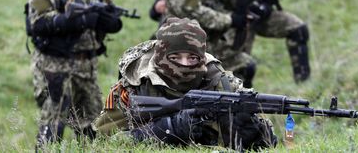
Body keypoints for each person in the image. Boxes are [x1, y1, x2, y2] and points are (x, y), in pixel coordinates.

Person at [93, 17, 277, 150]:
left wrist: (256, 134)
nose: (184, 64)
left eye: (192, 58)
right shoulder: (133, 87)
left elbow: (271, 143)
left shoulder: (225, 86)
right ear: (160, 57)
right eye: (175, 57)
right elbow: (103, 143)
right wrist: (165, 129)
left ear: (202, 58)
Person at [26, 0, 123, 147]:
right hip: (55, 66)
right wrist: (73, 21)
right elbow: (38, 23)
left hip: (87, 67)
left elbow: (111, 15)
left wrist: (109, 21)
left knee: (94, 128)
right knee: (53, 125)